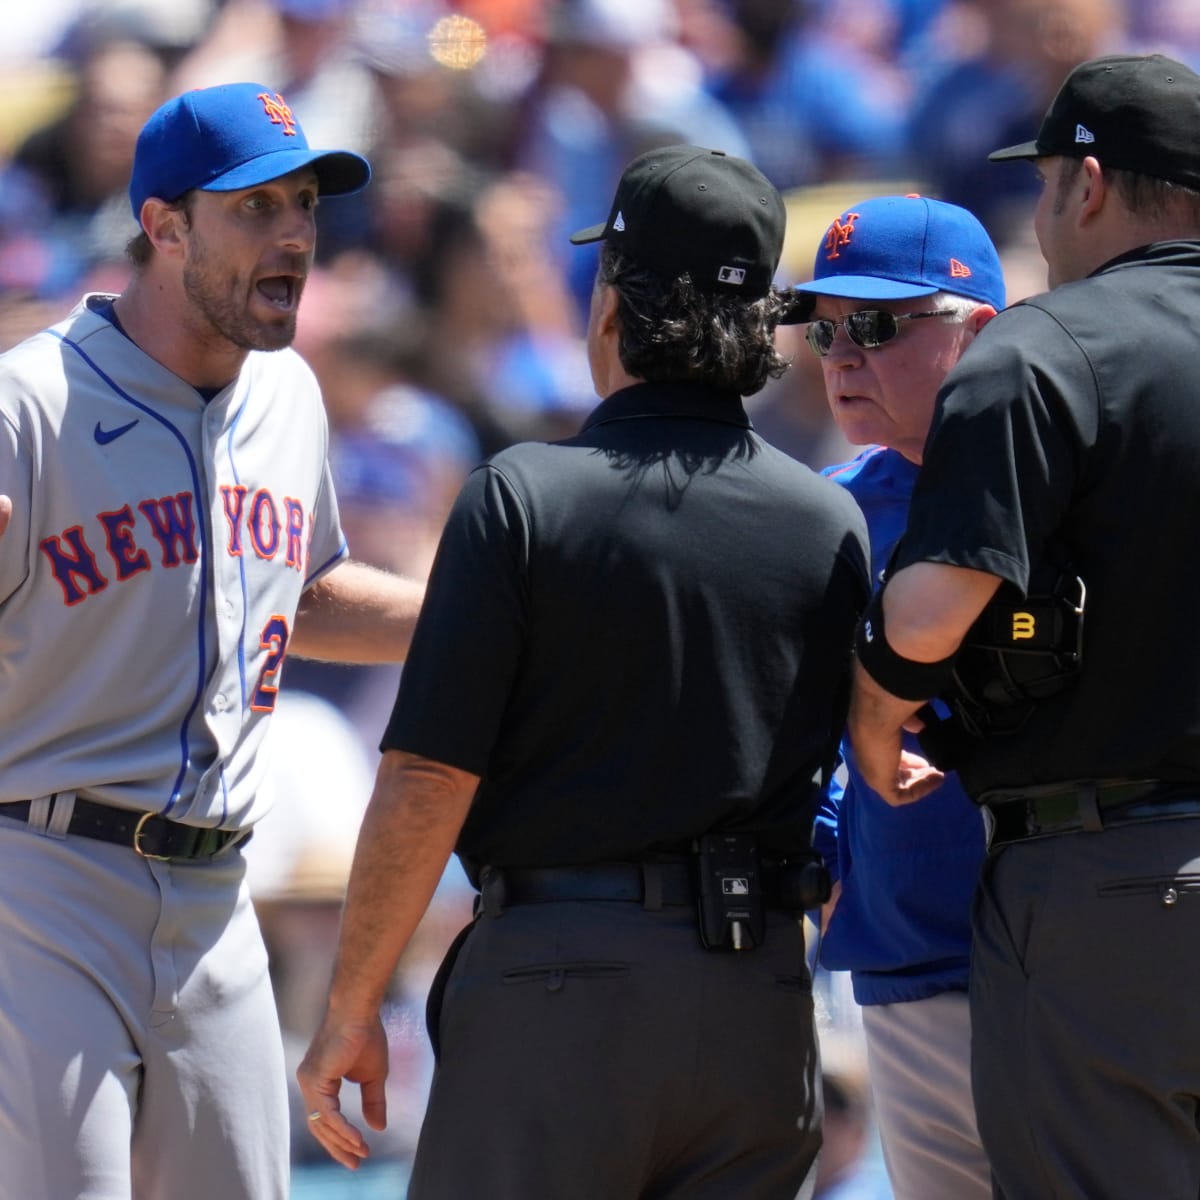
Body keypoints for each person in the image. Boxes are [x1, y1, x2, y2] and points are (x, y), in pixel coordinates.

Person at [297, 143, 872, 1198]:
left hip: (561, 987)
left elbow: (429, 777)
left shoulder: (522, 499)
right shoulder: (829, 519)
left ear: (611, 305)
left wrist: (351, 1006)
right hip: (760, 999)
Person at [0, 81, 425, 1200]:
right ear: (164, 225)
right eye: (254, 208)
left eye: (304, 206)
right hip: (40, 884)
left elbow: (305, 589)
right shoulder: (28, 407)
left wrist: (471, 620)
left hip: (218, 894)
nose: (293, 235)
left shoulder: (286, 395)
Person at [846, 52, 1200, 1198]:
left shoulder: (1046, 349)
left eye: (1048, 182)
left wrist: (874, 712)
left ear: (1087, 185)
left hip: (1112, 880)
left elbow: (934, 610)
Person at [795, 194, 1003, 1200]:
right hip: (916, 953)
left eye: (876, 324)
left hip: (1085, 945)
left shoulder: (1080, 485)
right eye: (824, 327)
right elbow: (801, 736)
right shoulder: (827, 513)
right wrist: (832, 843)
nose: (839, 355)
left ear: (979, 333)